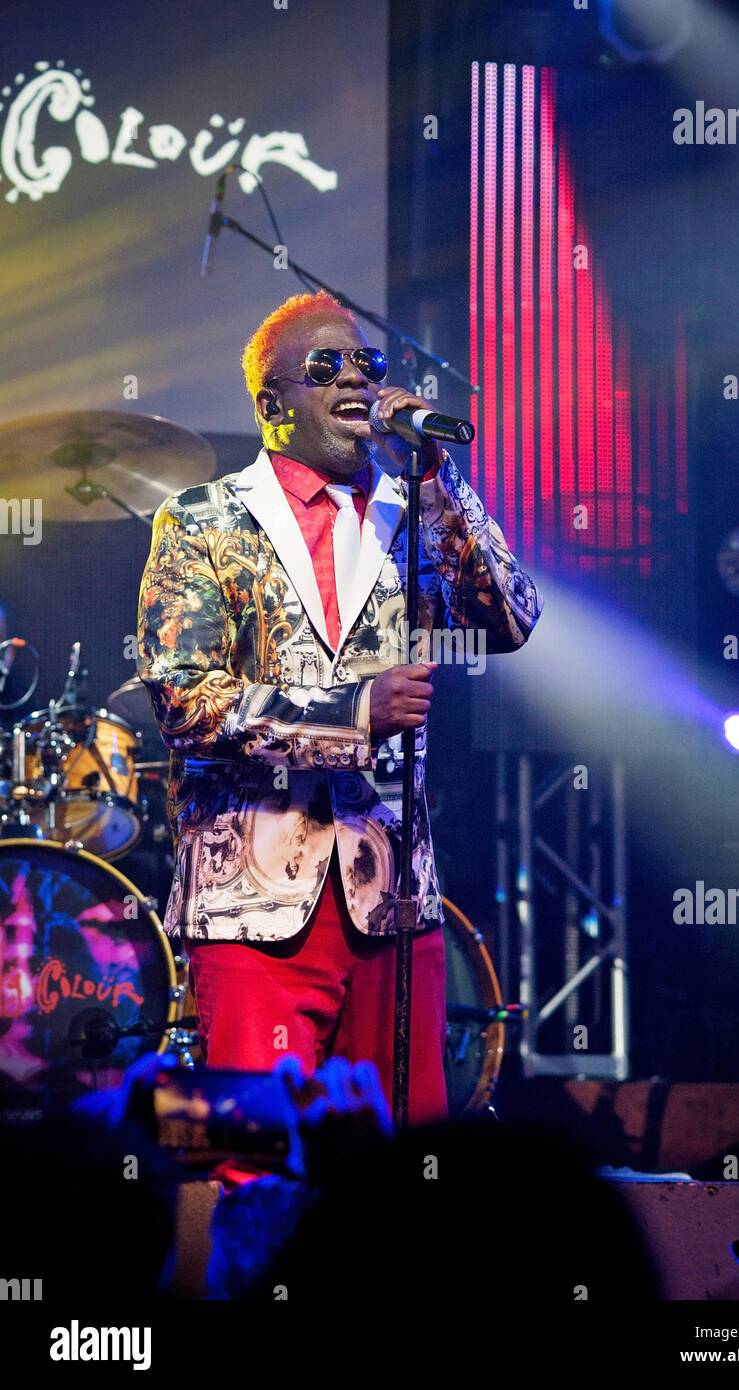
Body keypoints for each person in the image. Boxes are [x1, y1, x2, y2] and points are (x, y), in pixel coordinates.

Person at [137, 289, 542, 1135]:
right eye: (327, 366)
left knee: (405, 1164)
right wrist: (354, 710)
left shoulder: (408, 512)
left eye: (368, 363)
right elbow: (181, 696)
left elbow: (509, 617)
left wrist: (436, 475)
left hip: (394, 901)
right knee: (253, 1156)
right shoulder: (204, 521)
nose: (355, 378)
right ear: (272, 402)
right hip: (252, 907)